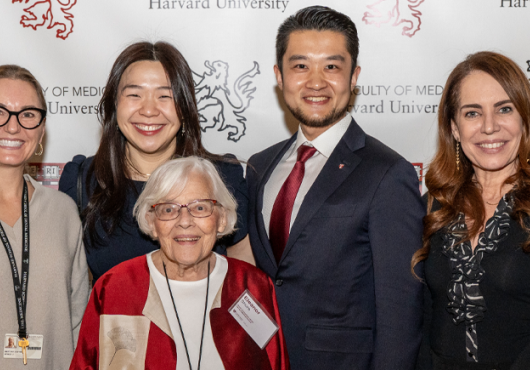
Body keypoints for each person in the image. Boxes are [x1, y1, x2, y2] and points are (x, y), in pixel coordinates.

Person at [246, 6, 424, 370]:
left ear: (353, 77)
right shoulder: (259, 167)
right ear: (279, 76)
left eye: (331, 66)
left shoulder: (388, 173)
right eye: (300, 66)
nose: (315, 82)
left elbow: (401, 310)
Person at [59, 41, 252, 283]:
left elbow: (245, 283)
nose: (149, 110)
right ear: (114, 104)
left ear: (185, 107)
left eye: (165, 95)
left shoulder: (224, 178)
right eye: (134, 94)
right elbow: (71, 287)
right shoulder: (82, 181)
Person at [70, 157, 289, 369]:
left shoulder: (253, 287)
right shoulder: (115, 288)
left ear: (222, 218)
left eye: (200, 207)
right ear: (152, 222)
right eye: (168, 209)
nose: (184, 221)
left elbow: (275, 362)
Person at [413, 52, 530, 370]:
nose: (490, 127)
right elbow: (423, 315)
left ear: (523, 118)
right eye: (472, 113)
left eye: (504, 109)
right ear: (453, 127)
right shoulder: (436, 204)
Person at [0, 65, 89, 369]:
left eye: (27, 114)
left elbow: (78, 317)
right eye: (0, 111)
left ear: (41, 130)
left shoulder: (63, 212)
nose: (13, 127)